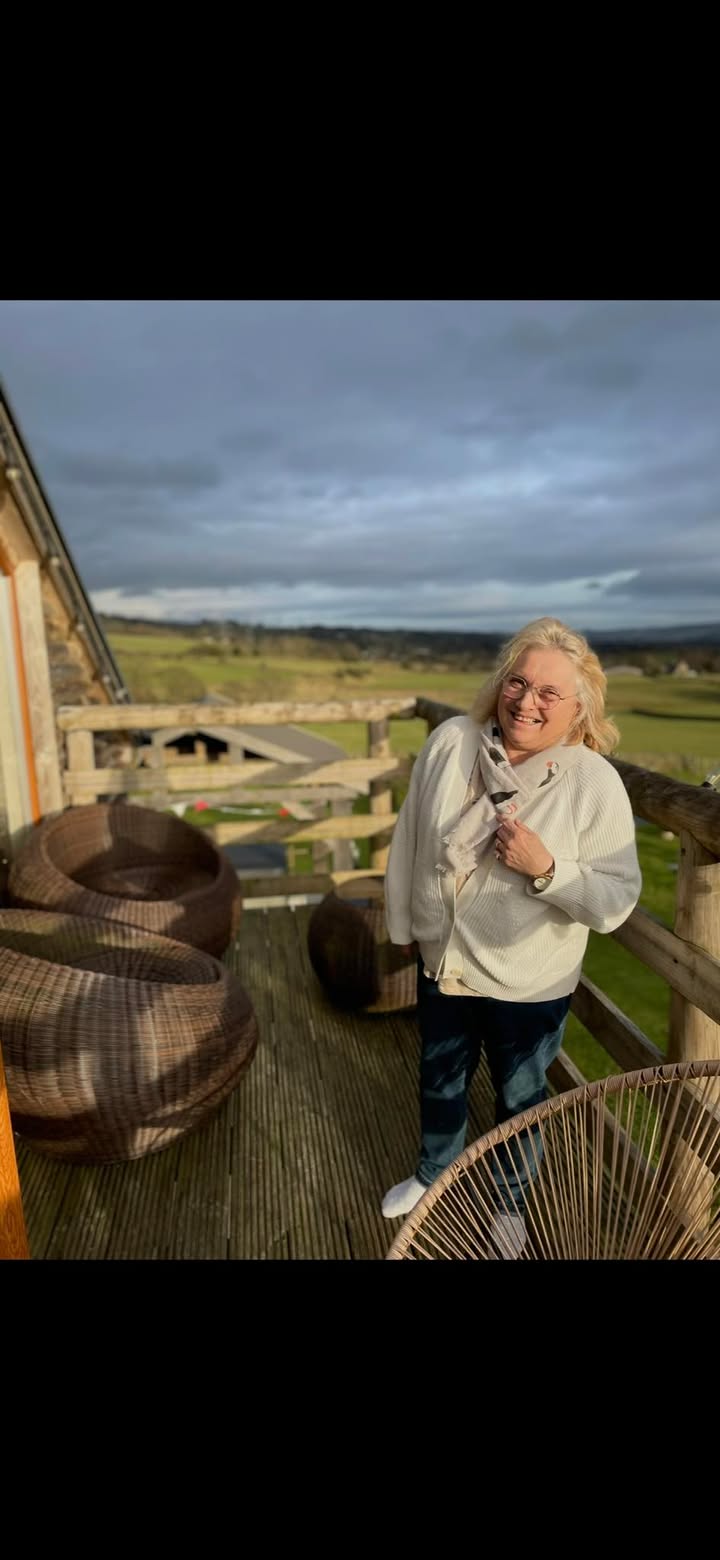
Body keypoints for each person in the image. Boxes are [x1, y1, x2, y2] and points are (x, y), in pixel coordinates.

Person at [382, 616, 642, 1254]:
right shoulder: (452, 741)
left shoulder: (592, 782)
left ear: (580, 708)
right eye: (518, 682)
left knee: (521, 1101)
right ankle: (433, 1175)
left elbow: (615, 900)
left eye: (550, 692)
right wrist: (404, 923)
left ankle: (508, 1204)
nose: (527, 702)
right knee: (439, 1077)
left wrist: (547, 869)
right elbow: (410, 836)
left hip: (528, 982)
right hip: (444, 959)